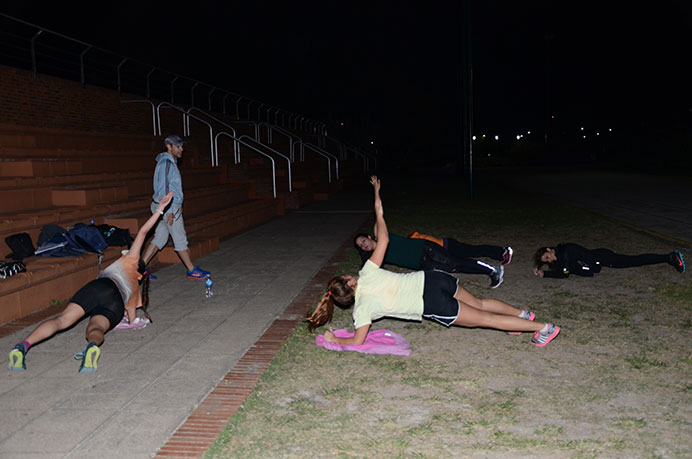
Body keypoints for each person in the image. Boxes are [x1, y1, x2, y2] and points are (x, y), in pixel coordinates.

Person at [307, 176, 560, 347]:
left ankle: (543, 328)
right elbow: (382, 240)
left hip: (431, 302)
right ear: (349, 280)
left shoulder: (361, 309)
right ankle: (522, 315)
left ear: (346, 299)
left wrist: (335, 340)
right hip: (433, 278)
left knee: (487, 319)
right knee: (481, 304)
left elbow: (358, 341)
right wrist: (378, 203)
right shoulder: (367, 272)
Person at [8, 192, 174, 373]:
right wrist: (129, 318)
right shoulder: (135, 287)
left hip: (100, 287)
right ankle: (92, 346)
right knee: (95, 329)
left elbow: (143, 232)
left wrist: (159, 209)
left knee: (61, 320)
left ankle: (22, 347)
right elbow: (132, 319)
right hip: (115, 303)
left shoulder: (130, 260)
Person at [354, 211, 509, 289]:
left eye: (363, 241)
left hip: (425, 249)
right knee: (453, 267)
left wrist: (375, 190)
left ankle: (493, 270)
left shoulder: (380, 235)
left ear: (369, 236)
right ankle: (492, 270)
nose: (363, 245)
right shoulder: (376, 256)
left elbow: (378, 212)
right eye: (361, 246)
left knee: (455, 261)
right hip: (421, 264)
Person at [141, 135, 210, 280]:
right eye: (178, 146)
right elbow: (164, 188)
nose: (181, 149)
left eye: (181, 146)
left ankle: (140, 268)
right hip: (166, 207)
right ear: (169, 146)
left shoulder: (168, 163)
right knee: (179, 238)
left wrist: (177, 204)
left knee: (160, 237)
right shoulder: (166, 163)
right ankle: (191, 270)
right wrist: (170, 210)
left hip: (164, 206)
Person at [533, 243, 686, 279]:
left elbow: (566, 269)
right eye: (547, 261)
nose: (550, 260)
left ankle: (670, 257)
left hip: (603, 257)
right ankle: (669, 258)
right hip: (602, 259)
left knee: (635, 260)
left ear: (549, 250)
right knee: (634, 260)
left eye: (547, 257)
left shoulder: (564, 249)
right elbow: (565, 273)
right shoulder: (561, 258)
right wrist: (545, 274)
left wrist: (550, 272)